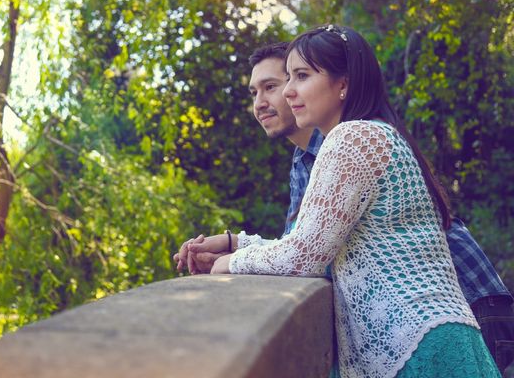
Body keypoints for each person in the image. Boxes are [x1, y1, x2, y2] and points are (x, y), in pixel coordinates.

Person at [178, 25, 501, 377]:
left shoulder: (351, 138)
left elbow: (301, 258)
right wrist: (235, 243)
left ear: (343, 84)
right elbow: (313, 241)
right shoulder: (371, 133)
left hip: (418, 341)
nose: (288, 92)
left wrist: (227, 264)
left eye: (300, 76)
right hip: (433, 334)